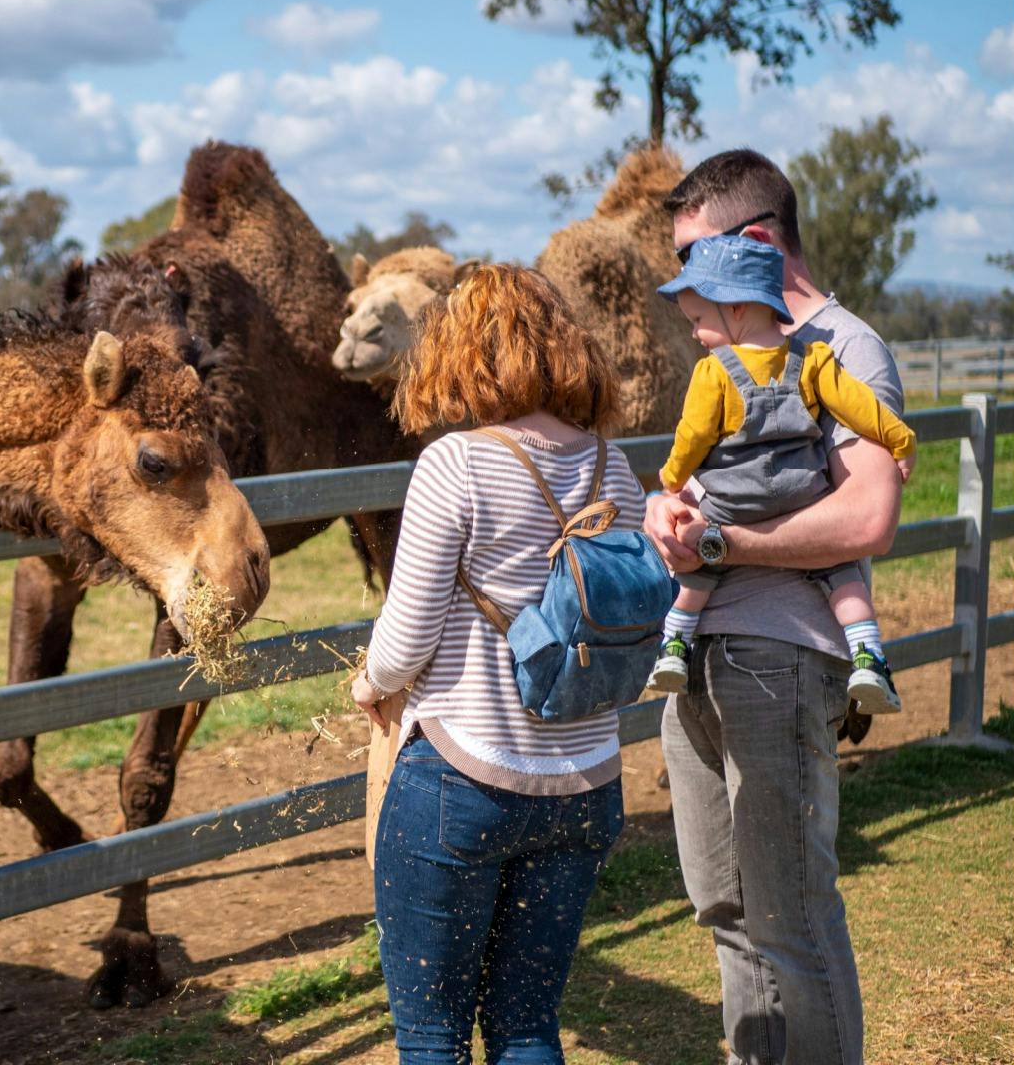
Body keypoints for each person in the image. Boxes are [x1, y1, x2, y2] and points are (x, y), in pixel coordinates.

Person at [647, 150, 907, 1065]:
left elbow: (867, 512)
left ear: (754, 242)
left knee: (790, 913)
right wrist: (664, 507)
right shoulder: (724, 365)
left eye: (695, 262)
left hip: (782, 657)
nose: (687, 303)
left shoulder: (845, 350)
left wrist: (721, 546)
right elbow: (697, 472)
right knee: (725, 908)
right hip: (702, 660)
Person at [349, 264, 645, 1064]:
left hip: (462, 780)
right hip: (586, 785)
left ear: (462, 352)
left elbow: (406, 640)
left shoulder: (456, 464)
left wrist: (366, 685)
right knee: (525, 1026)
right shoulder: (613, 471)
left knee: (432, 1039)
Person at [646, 231, 917, 718]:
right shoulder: (812, 359)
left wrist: (671, 478)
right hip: (802, 498)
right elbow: (860, 409)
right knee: (842, 574)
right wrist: (901, 441)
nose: (694, 334)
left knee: (699, 563)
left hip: (734, 502)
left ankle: (674, 645)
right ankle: (869, 655)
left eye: (698, 320)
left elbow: (693, 436)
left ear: (735, 309)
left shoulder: (713, 373)